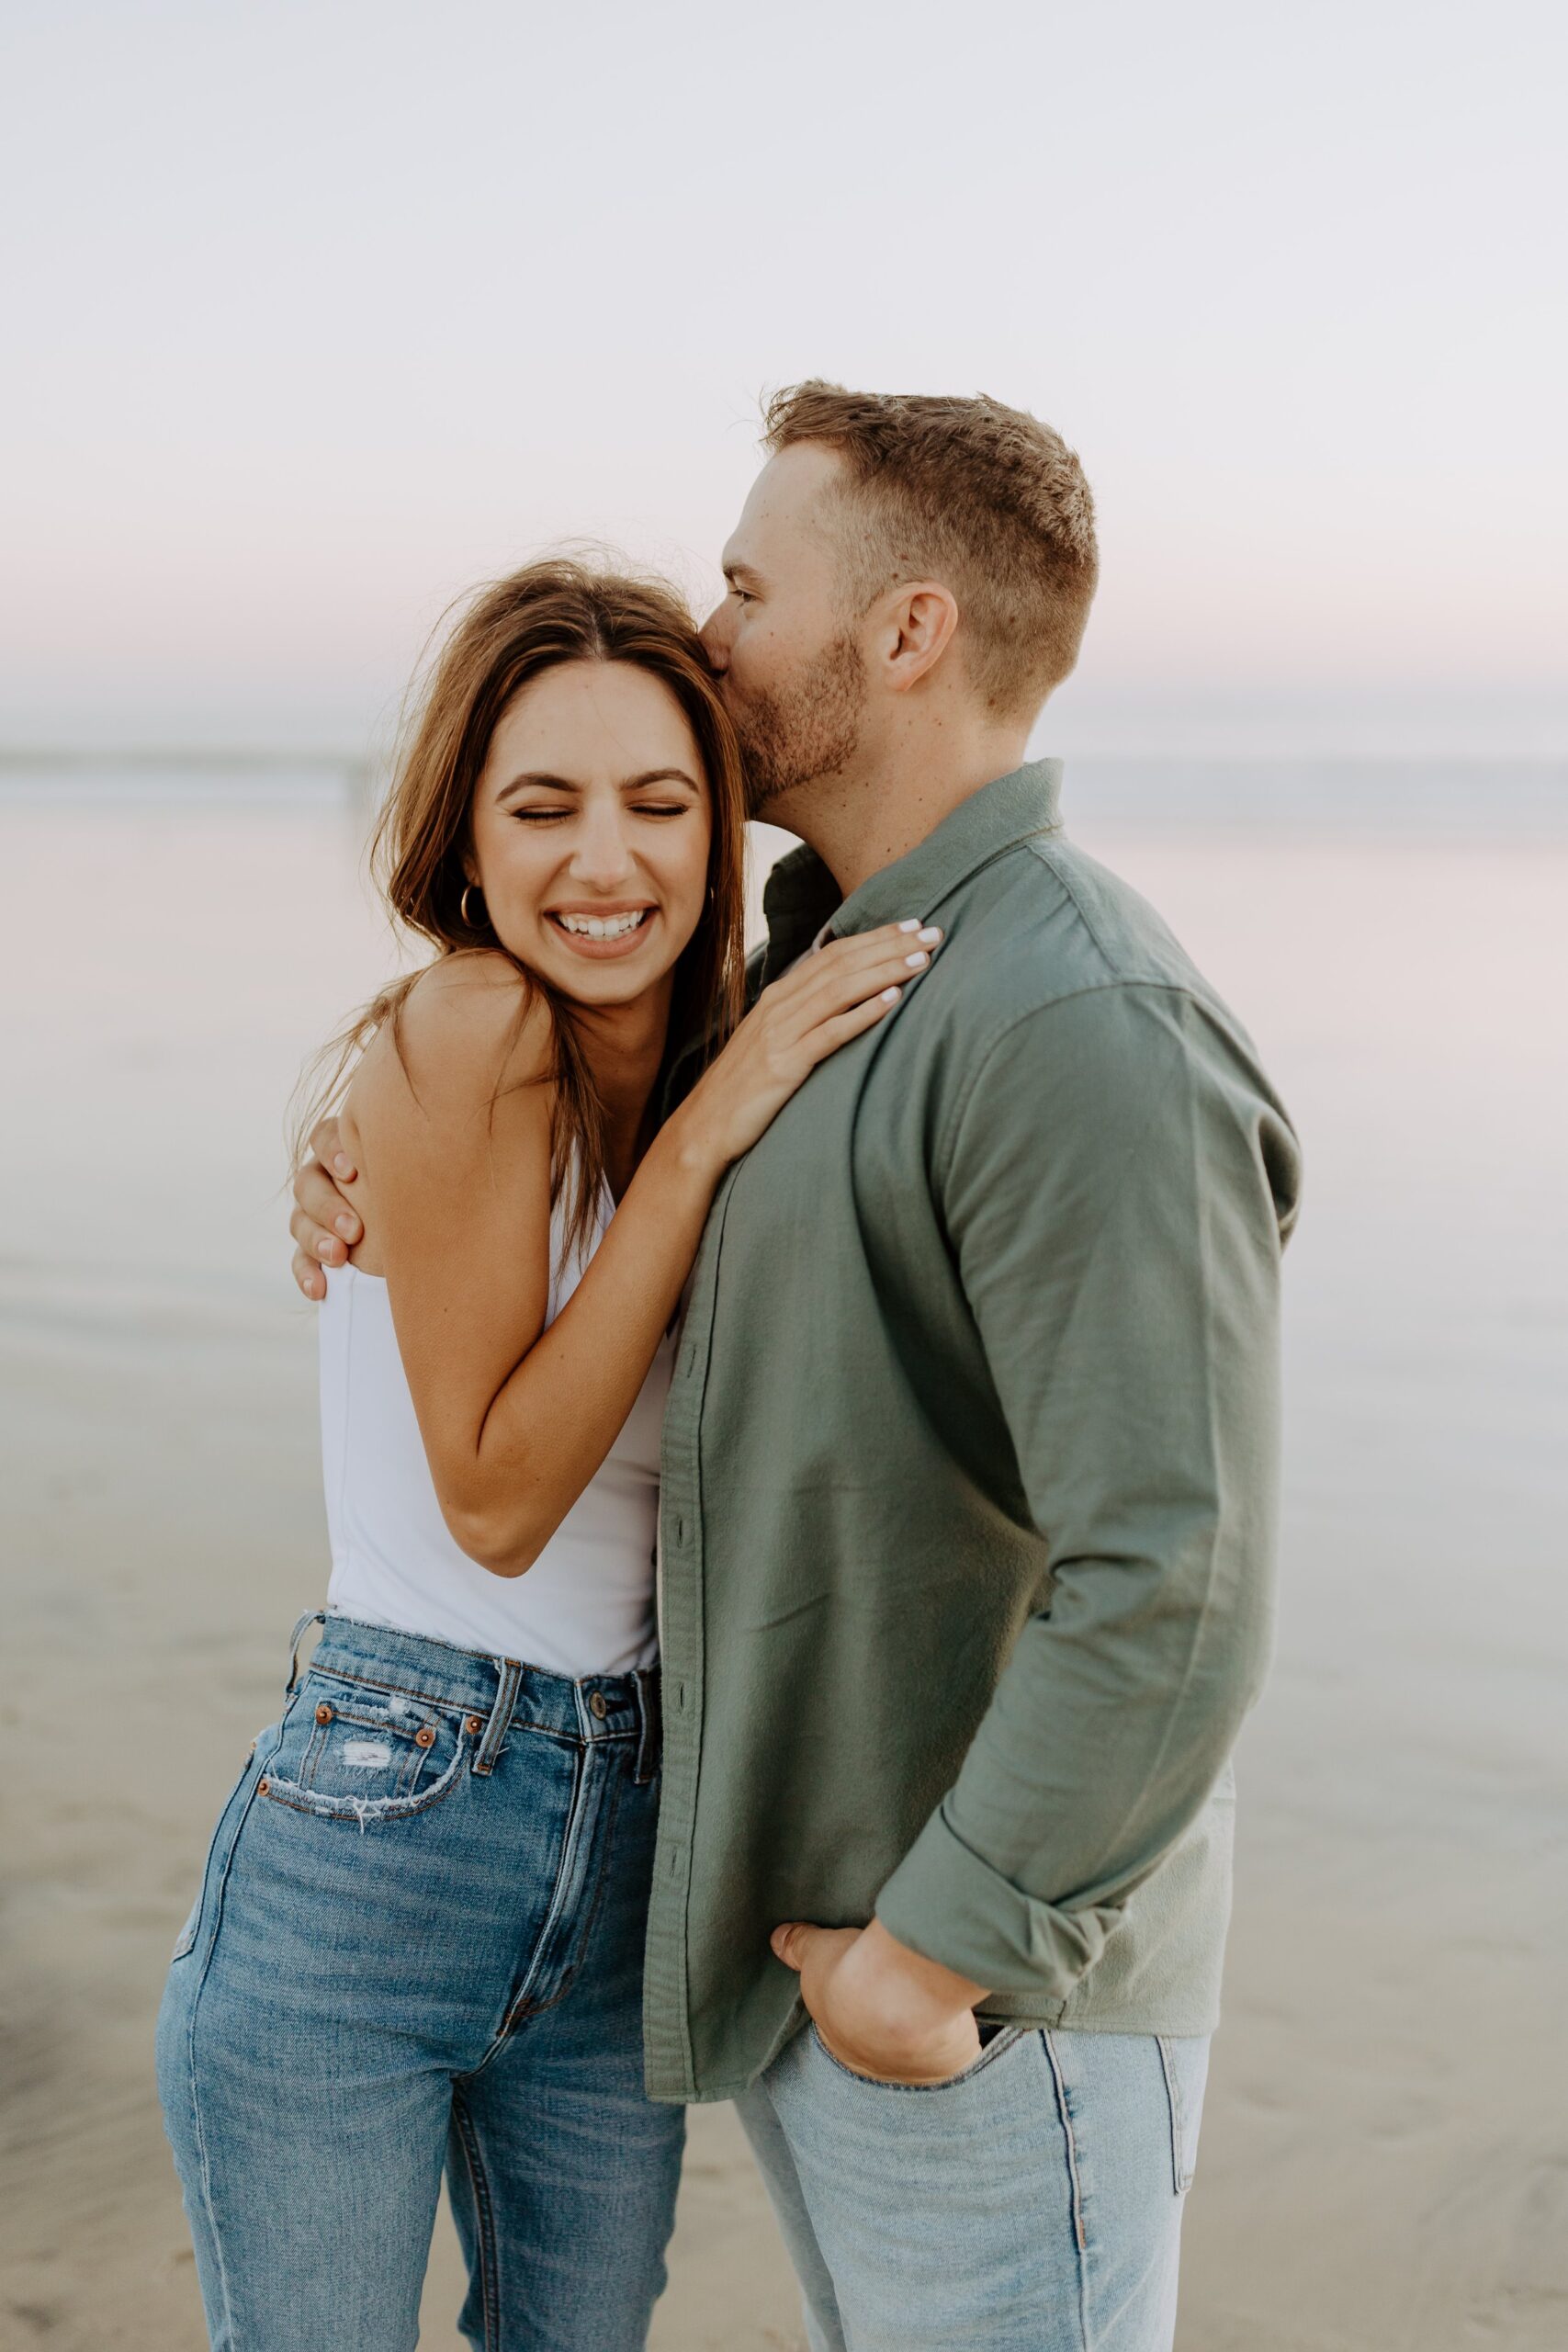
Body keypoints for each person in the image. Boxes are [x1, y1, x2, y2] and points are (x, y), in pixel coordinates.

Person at [291, 385, 1303, 2352]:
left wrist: (931, 1954)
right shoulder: (833, 975)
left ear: (904, 631)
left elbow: (1175, 1568)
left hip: (978, 2003)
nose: (714, 632)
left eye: (750, 587)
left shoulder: (1068, 1012)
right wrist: (365, 1141)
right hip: (824, 1963)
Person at [157, 557, 942, 2352]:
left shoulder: (699, 1066)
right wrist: (706, 1140)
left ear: (719, 824)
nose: (607, 860)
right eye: (544, 806)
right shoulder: (472, 1024)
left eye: (662, 803)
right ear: (468, 838)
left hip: (636, 1846)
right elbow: (500, 1502)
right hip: (386, 1816)